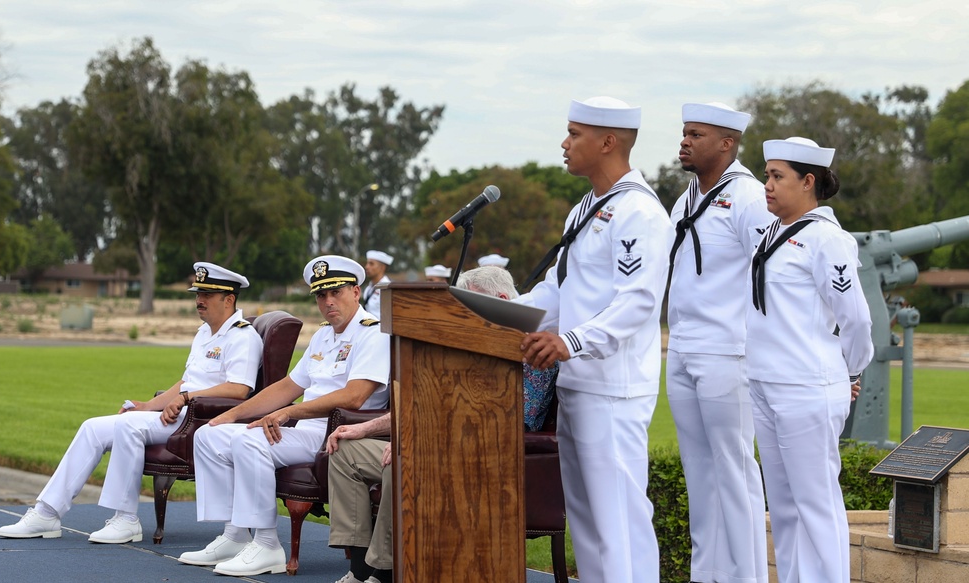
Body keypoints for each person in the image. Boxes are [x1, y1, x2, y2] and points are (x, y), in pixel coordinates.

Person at [515, 96, 673, 583]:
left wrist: (570, 342)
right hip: (579, 383)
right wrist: (493, 316)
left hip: (614, 388)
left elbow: (638, 301)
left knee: (619, 521)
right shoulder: (587, 207)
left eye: (574, 134)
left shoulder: (638, 213)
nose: (564, 144)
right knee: (586, 523)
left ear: (608, 142)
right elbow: (558, 292)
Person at [0, 263, 263, 544]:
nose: (199, 300)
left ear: (229, 299)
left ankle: (125, 519)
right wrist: (148, 405)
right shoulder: (204, 334)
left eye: (207, 295)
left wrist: (186, 399)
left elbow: (238, 389)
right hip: (180, 415)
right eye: (198, 293)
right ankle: (47, 513)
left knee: (128, 425)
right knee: (92, 428)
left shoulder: (243, 337)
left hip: (203, 421)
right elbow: (185, 383)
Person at [325, 265, 558, 583]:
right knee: (346, 451)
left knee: (403, 462)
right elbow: (431, 403)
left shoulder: (534, 350)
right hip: (440, 442)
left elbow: (499, 420)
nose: (469, 319)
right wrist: (366, 428)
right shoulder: (476, 343)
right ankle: (359, 568)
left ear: (502, 300)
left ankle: (383, 569)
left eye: (476, 309)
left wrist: (414, 438)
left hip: (490, 457)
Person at [178, 255, 390, 577]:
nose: (328, 302)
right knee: (209, 434)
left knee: (251, 443)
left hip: (341, 432)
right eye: (321, 295)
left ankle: (266, 544)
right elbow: (288, 386)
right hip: (307, 429)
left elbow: (355, 395)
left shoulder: (372, 334)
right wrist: (229, 416)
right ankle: (235, 535)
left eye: (336, 292)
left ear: (356, 292)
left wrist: (288, 412)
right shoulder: (323, 336)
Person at [748, 137, 873, 583]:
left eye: (776, 176)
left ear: (807, 181)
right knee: (783, 507)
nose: (767, 184)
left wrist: (850, 370)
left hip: (805, 387)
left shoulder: (826, 240)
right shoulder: (770, 231)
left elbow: (856, 319)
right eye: (766, 175)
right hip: (765, 383)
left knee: (816, 505)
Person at [666, 102, 773, 583]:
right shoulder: (685, 198)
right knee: (699, 474)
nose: (685, 141)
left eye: (696, 134)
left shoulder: (749, 197)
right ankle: (706, 575)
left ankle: (746, 577)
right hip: (684, 348)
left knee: (735, 471)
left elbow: (771, 272)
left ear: (727, 143)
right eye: (684, 132)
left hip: (728, 350)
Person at [362, 250, 393, 317]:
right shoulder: (368, 288)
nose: (367, 267)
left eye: (371, 264)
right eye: (367, 263)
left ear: (382, 267)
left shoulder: (388, 289)